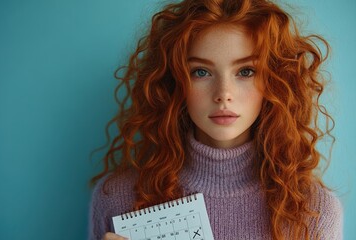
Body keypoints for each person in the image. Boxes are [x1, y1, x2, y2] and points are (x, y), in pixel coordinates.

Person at [88, 0, 343, 239]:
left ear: (275, 82)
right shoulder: (117, 198)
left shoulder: (313, 210)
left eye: (246, 71)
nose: (224, 95)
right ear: (174, 82)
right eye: (201, 72)